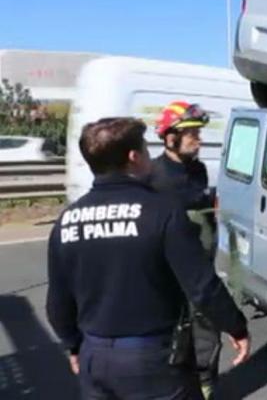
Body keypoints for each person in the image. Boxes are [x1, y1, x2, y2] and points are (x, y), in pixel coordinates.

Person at [46, 117, 250, 399]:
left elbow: (57, 302)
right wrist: (236, 326)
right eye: (144, 148)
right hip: (152, 358)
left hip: (95, 357)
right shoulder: (162, 211)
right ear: (133, 157)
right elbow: (201, 286)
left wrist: (73, 345)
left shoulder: (66, 221)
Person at [151, 101, 223, 399]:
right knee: (172, 340)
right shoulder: (153, 176)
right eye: (192, 133)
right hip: (167, 276)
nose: (199, 139)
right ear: (170, 138)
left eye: (199, 133)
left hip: (199, 271)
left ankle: (206, 384)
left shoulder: (199, 170)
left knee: (207, 332)